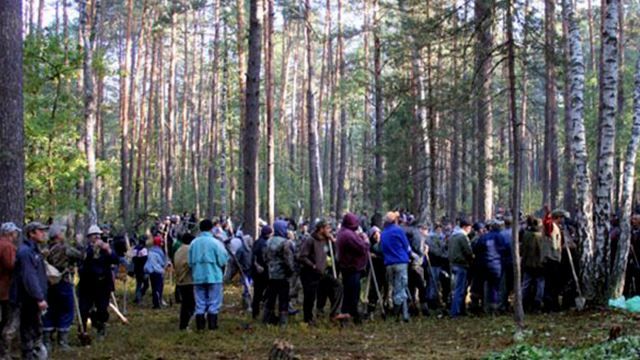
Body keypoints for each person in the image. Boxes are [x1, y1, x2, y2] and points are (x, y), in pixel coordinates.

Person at [11, 222, 49, 359]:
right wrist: (39, 298)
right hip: (27, 300)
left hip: (32, 299)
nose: (43, 233)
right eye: (40, 231)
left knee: (34, 330)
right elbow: (29, 277)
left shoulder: (34, 251)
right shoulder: (26, 252)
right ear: (31, 233)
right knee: (28, 331)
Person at [42, 224, 83, 352]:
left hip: (48, 284)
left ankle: (47, 342)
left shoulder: (44, 249)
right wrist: (79, 243)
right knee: (66, 310)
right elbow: (81, 255)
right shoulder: (65, 248)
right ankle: (62, 342)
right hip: (63, 283)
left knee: (49, 310)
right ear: (58, 235)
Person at [78, 225, 119, 341]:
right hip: (87, 284)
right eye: (94, 235)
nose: (97, 237)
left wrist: (108, 250)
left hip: (103, 284)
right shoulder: (85, 250)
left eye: (98, 235)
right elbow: (82, 262)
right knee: (84, 309)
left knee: (102, 309)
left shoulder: (106, 249)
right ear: (89, 237)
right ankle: (83, 331)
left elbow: (115, 260)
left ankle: (101, 327)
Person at [188, 219, 229, 331]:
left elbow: (190, 261)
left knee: (200, 302)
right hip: (214, 276)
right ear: (211, 228)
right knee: (214, 301)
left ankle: (200, 327)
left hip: (198, 276)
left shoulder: (194, 243)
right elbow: (223, 259)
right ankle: (212, 326)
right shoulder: (216, 243)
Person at [297, 219, 333, 325]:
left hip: (321, 273)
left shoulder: (326, 240)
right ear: (321, 229)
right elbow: (302, 256)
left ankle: (324, 313)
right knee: (310, 296)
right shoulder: (310, 240)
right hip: (309, 273)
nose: (329, 230)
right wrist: (312, 265)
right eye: (327, 228)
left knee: (333, 288)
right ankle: (308, 319)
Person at [336, 213, 369, 324]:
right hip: (352, 267)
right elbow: (362, 247)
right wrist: (365, 240)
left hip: (347, 266)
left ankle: (347, 314)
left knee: (349, 292)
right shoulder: (348, 235)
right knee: (353, 292)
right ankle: (354, 315)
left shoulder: (343, 232)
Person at [380, 212, 412, 322]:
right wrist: (408, 256)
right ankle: (402, 314)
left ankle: (400, 312)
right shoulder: (398, 230)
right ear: (395, 220)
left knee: (394, 287)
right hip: (401, 262)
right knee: (401, 287)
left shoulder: (383, 233)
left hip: (389, 263)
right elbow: (407, 246)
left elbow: (382, 248)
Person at [263, 220, 295, 326]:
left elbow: (265, 258)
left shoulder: (268, 241)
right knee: (283, 298)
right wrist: (291, 271)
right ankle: (283, 322)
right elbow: (288, 260)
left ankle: (267, 319)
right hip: (282, 276)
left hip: (271, 274)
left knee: (271, 297)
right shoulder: (285, 243)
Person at [470, 220, 506, 314]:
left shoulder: (484, 237)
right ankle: (493, 308)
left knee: (481, 285)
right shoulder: (500, 237)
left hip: (483, 265)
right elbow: (505, 250)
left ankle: (483, 306)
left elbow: (475, 250)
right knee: (494, 287)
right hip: (496, 266)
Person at [0, 223, 20, 359]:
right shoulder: (7, 246)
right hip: (5, 290)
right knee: (9, 322)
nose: (16, 235)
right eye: (15, 232)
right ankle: (5, 353)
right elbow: (11, 265)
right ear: (10, 233)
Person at [448, 219, 474, 318]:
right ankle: (455, 312)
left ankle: (461, 310)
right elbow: (468, 251)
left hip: (453, 264)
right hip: (461, 265)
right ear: (465, 227)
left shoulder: (453, 236)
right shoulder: (462, 237)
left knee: (457, 288)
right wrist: (471, 258)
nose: (470, 229)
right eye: (469, 227)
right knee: (459, 289)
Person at [521, 217, 545, 312]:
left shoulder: (526, 235)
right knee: (540, 284)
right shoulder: (540, 236)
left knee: (526, 284)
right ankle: (537, 304)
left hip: (528, 263)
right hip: (539, 264)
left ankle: (523, 303)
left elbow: (523, 250)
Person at [542, 208, 564, 312]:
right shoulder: (551, 226)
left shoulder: (556, 227)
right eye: (561, 217)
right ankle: (550, 306)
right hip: (550, 258)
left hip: (554, 258)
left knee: (554, 284)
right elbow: (546, 223)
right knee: (551, 285)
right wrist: (548, 213)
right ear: (558, 217)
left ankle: (553, 305)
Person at [174, 233, 195, 330]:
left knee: (185, 304)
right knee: (190, 304)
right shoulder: (190, 250)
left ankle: (183, 324)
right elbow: (191, 264)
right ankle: (187, 324)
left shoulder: (179, 250)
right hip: (189, 280)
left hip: (180, 281)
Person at [251, 225, 272, 320]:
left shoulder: (256, 242)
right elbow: (266, 258)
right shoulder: (265, 243)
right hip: (265, 271)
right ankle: (265, 312)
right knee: (268, 291)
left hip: (256, 272)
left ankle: (255, 313)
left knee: (256, 293)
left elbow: (252, 257)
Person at [425, 224, 448, 310]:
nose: (439, 230)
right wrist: (445, 255)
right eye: (438, 229)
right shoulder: (432, 238)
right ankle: (432, 301)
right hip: (434, 264)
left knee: (434, 283)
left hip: (436, 263)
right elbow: (436, 252)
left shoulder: (438, 237)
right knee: (433, 283)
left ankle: (432, 299)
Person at [366, 226, 386, 317]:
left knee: (386, 288)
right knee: (374, 290)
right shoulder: (370, 246)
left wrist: (377, 257)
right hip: (375, 270)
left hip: (385, 269)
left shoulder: (383, 244)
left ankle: (386, 306)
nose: (377, 235)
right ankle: (371, 310)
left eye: (378, 233)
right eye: (374, 234)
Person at [145, 236, 169, 309]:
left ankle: (155, 302)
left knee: (154, 288)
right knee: (158, 288)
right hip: (158, 271)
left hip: (151, 271)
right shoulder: (160, 252)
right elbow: (162, 262)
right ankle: (157, 303)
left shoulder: (150, 250)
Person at [131, 236, 149, 304]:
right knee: (146, 284)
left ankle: (137, 297)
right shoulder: (144, 250)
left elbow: (133, 259)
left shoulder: (135, 249)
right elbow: (145, 260)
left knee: (138, 284)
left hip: (136, 269)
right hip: (142, 269)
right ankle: (139, 296)